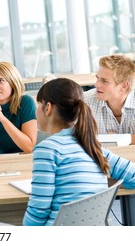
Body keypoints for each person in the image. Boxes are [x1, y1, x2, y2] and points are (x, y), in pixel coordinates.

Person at [23, 78, 135, 226]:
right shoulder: (93, 147)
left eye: (38, 104)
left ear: (48, 108)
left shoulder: (47, 149)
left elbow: (38, 211)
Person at [84, 54, 135, 144]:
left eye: (104, 81)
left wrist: (125, 139)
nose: (96, 84)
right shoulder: (86, 101)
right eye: (98, 78)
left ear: (124, 86)